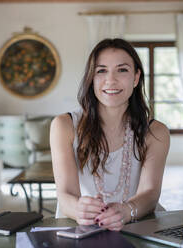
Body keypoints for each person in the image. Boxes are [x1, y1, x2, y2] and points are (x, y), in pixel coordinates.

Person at [50, 38, 170, 231]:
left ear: (136, 77)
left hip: (140, 224)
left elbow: (150, 193)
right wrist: (80, 209)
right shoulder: (64, 126)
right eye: (101, 70)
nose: (111, 80)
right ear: (92, 78)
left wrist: (127, 211)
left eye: (122, 70)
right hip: (82, 228)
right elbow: (65, 196)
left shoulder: (156, 132)